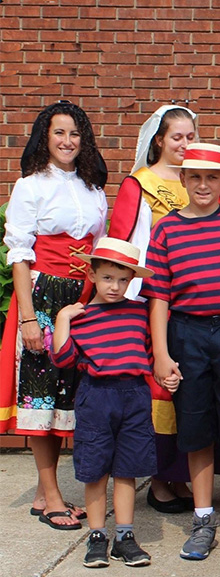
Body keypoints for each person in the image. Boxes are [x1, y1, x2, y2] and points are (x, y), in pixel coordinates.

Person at [143, 143, 220, 561]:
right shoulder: (166, 230)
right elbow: (159, 297)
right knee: (195, 428)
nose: (202, 184)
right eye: (194, 176)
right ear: (182, 179)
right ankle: (202, 520)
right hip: (187, 333)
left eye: (211, 177)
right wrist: (161, 353)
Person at [0, 101, 108, 531]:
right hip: (42, 296)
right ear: (45, 137)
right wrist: (28, 318)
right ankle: (52, 497)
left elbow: (98, 249)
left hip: (82, 296)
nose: (67, 141)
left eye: (75, 134)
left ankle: (46, 495)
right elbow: (20, 255)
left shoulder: (93, 188)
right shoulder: (31, 186)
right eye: (59, 133)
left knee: (71, 394)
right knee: (41, 397)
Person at [108, 104, 197, 513]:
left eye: (190, 137)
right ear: (159, 139)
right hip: (149, 300)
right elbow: (122, 241)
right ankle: (160, 479)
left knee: (188, 392)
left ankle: (182, 476)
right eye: (176, 136)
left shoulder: (198, 181)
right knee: (160, 392)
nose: (184, 144)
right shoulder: (138, 184)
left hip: (193, 300)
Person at [50, 238, 158, 568]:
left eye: (123, 279)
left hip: (135, 395)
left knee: (127, 469)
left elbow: (150, 352)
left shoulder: (140, 311)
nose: (115, 286)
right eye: (108, 278)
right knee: (96, 469)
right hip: (96, 396)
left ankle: (124, 536)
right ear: (92, 275)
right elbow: (63, 358)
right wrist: (62, 320)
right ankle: (98, 536)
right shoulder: (81, 317)